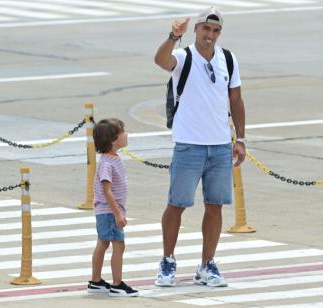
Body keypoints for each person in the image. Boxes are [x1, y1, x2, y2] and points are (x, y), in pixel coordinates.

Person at [153, 7, 247, 287]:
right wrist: (173, 36)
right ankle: (167, 261)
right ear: (196, 29)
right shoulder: (184, 56)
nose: (211, 35)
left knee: (215, 206)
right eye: (206, 29)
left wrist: (240, 139)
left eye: (216, 31)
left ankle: (207, 264)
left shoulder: (227, 59)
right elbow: (160, 60)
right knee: (176, 204)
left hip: (219, 146)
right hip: (189, 145)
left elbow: (236, 99)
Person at [87, 118, 139, 297]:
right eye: (123, 131)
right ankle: (117, 284)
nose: (126, 134)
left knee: (103, 243)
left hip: (108, 211)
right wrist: (117, 214)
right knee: (118, 245)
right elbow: (106, 190)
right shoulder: (107, 163)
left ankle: (96, 281)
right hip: (109, 212)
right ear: (113, 140)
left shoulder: (112, 157)